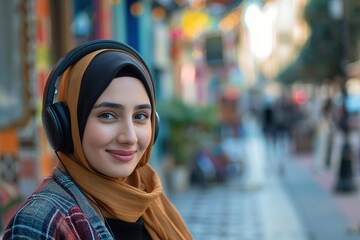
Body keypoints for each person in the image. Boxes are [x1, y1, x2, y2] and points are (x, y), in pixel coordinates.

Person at [3, 40, 192, 239]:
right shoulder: (39, 224)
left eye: (140, 116)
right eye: (108, 115)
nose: (130, 137)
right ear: (68, 125)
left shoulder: (150, 199)